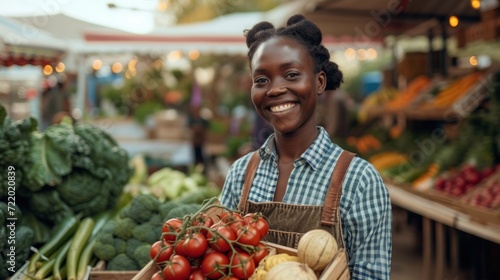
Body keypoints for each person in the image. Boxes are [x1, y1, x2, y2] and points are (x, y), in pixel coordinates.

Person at [219, 14, 392, 279]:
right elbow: (221, 260)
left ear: (319, 82)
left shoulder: (359, 181)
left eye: (291, 74)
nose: (275, 89)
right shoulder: (240, 174)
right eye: (261, 80)